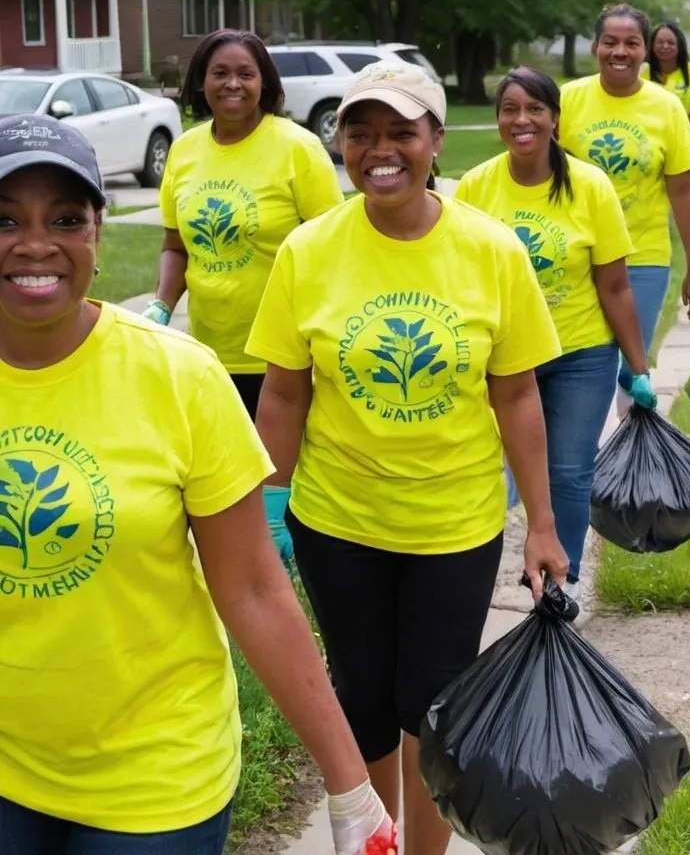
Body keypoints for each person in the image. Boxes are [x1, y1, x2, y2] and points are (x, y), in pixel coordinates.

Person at [0, 115, 395, 854]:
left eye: (64, 218)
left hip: (154, 778)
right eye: (5, 219)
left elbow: (251, 588)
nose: (34, 243)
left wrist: (350, 784)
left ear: (98, 231)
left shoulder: (177, 377)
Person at [245, 63, 570, 855]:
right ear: (343, 145)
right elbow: (285, 394)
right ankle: (372, 842)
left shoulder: (491, 251)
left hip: (452, 524)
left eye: (400, 132)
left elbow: (518, 395)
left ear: (433, 143)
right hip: (338, 520)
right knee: (359, 698)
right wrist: (268, 508)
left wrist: (541, 525)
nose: (378, 150)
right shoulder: (308, 250)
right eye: (360, 133)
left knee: (433, 705)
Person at [456, 67, 652, 600]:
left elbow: (614, 287)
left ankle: (562, 580)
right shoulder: (475, 187)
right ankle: (508, 562)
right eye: (510, 109)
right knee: (503, 471)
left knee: (568, 470)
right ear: (498, 119)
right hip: (505, 357)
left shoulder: (590, 188)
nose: (522, 120)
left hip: (579, 352)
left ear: (555, 120)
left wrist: (639, 369)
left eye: (535, 109)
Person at [147, 29, 343, 420]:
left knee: (278, 478)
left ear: (264, 82)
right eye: (219, 73)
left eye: (246, 74)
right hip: (207, 354)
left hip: (285, 355)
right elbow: (176, 246)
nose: (232, 84)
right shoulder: (184, 151)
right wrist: (160, 308)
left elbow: (335, 249)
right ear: (202, 82)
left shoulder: (298, 148)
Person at [559, 3, 690, 412]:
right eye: (610, 42)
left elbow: (682, 191)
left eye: (631, 43)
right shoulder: (567, 101)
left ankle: (630, 463)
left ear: (646, 51)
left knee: (633, 367)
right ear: (595, 47)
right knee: (582, 363)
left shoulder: (666, 107)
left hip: (642, 256)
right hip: (577, 257)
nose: (620, 52)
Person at [644, 21, 690, 256]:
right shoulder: (642, 74)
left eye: (671, 42)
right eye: (660, 42)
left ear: (680, 46)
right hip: (651, 142)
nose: (665, 47)